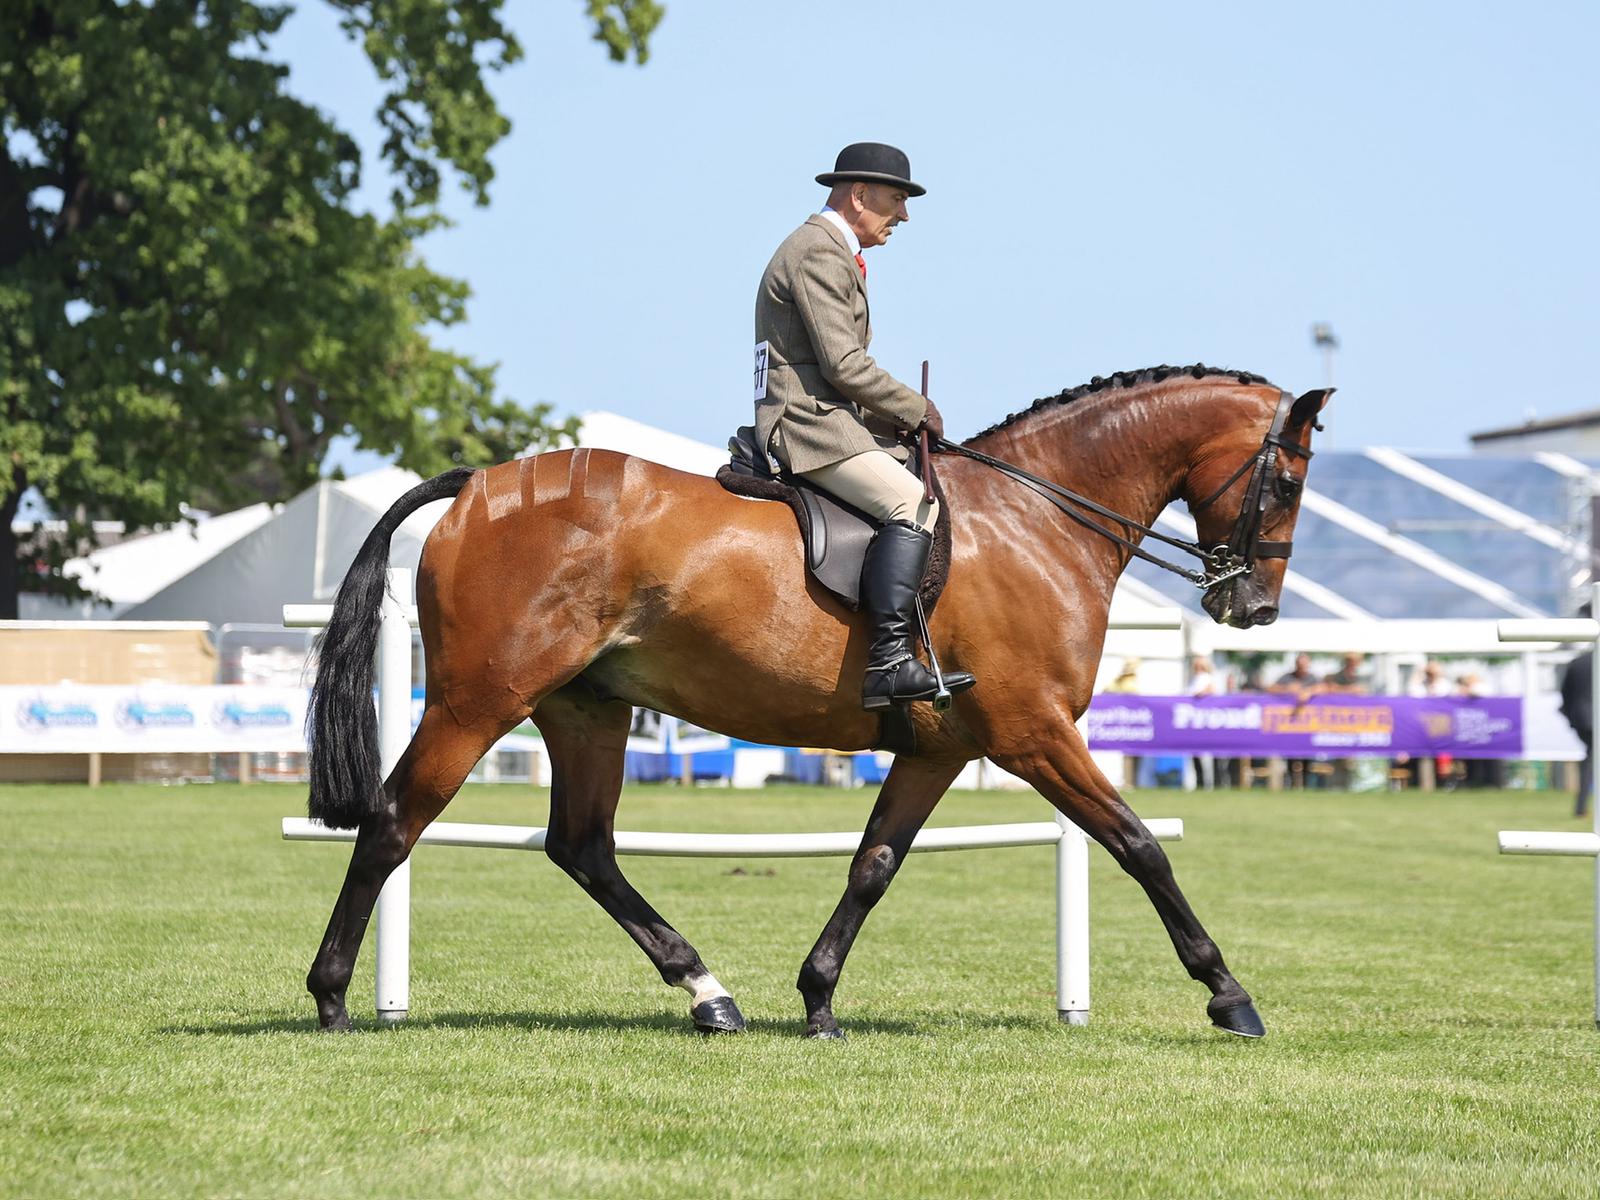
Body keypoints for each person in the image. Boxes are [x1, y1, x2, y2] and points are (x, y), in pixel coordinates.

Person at [753, 142, 974, 711]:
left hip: (827, 414)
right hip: (807, 424)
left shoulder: (832, 251)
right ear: (858, 195)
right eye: (897, 200)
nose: (903, 215)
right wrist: (915, 410)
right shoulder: (819, 253)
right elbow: (842, 365)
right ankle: (889, 665)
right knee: (912, 503)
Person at [1559, 647, 1592, 817]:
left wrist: (1571, 716)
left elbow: (1565, 692)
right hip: (1591, 718)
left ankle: (1581, 807)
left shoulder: (1578, 662)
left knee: (1590, 761)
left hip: (1582, 719)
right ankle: (1581, 807)